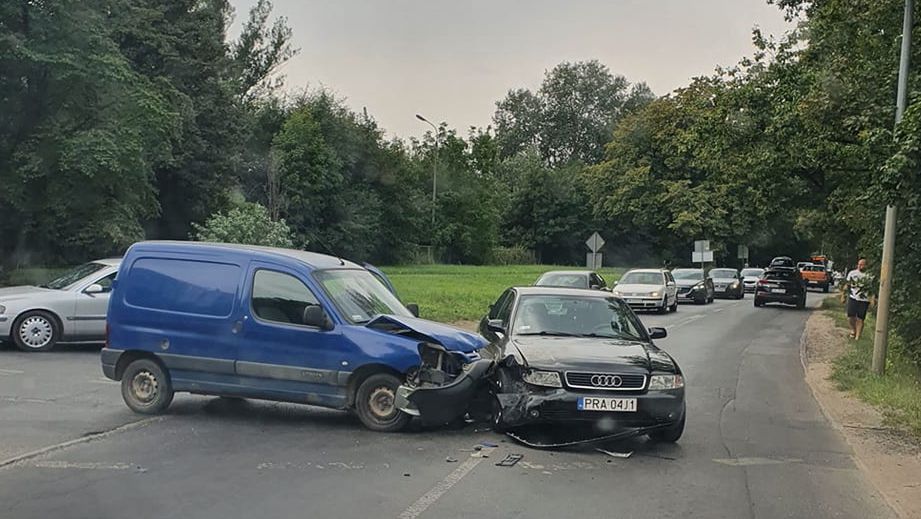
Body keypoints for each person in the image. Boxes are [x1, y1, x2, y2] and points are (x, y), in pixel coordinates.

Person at [844, 258, 871, 340]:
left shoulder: (869, 275)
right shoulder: (852, 273)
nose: (860, 266)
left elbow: (872, 289)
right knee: (850, 316)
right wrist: (843, 295)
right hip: (853, 297)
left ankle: (858, 336)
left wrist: (872, 299)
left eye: (862, 264)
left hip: (864, 299)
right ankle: (853, 330)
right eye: (859, 264)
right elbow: (847, 285)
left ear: (866, 265)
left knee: (860, 318)